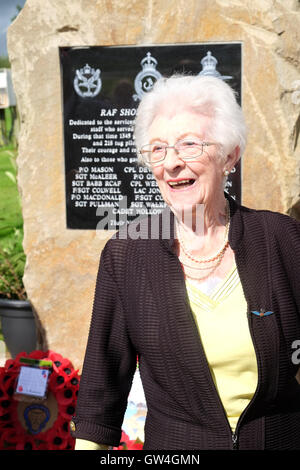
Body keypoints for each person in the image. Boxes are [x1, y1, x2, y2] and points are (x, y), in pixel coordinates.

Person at [71, 74, 300, 450]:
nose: (172, 163)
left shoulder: (282, 239)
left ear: (230, 155)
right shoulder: (127, 254)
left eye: (189, 145)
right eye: (157, 149)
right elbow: (101, 390)